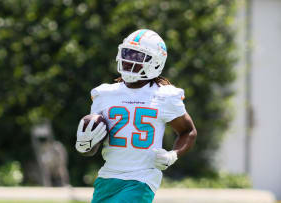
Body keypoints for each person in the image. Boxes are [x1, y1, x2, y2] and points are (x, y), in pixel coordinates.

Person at [75, 29, 197, 203]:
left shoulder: (165, 96)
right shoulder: (104, 94)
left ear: (155, 62)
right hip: (108, 177)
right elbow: (92, 146)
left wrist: (173, 155)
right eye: (127, 53)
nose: (128, 60)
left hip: (141, 179)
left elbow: (188, 131)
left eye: (137, 56)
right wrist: (84, 145)